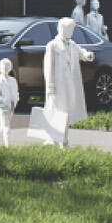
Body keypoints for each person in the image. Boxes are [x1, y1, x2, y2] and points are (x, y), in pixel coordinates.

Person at [41, 16, 95, 147]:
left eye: (72, 30)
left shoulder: (73, 44)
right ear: (62, 29)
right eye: (70, 30)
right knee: (58, 113)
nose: (71, 33)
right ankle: (60, 140)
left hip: (70, 85)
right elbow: (48, 67)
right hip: (58, 85)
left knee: (65, 114)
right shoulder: (52, 46)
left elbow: (82, 53)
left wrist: (88, 55)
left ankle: (59, 139)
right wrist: (50, 86)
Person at [0, 57, 21, 146]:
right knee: (6, 127)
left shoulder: (13, 80)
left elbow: (16, 92)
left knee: (2, 128)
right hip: (2, 107)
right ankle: (8, 146)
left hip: (11, 106)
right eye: (3, 67)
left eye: (7, 67)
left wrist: (16, 100)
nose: (5, 69)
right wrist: (2, 101)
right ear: (0, 68)